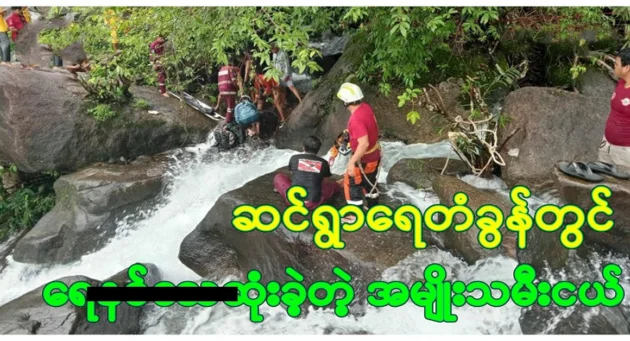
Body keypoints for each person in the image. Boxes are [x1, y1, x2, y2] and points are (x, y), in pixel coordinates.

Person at [336, 83, 382, 222]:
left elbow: (364, 144)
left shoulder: (355, 119)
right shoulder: (365, 107)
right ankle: (373, 208)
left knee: (351, 184)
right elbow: (372, 124)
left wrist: (352, 162)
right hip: (374, 155)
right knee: (370, 182)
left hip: (365, 158)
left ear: (345, 101)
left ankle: (355, 215)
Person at [274, 136, 340, 210]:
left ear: (303, 148)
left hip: (292, 200)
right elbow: (325, 181)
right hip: (312, 203)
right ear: (318, 149)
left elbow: (294, 174)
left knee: (279, 177)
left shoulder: (294, 158)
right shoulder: (324, 163)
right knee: (333, 186)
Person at [598, 47, 630, 169]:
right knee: (602, 180)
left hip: (625, 152)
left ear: (627, 68)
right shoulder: (621, 82)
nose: (614, 66)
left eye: (617, 64)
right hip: (607, 145)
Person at [271, 43, 302, 126]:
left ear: (277, 47)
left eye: (273, 49)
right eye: (271, 50)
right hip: (278, 76)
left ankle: (300, 100)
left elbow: (287, 66)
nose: (272, 51)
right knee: (285, 89)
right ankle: (285, 104)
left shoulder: (283, 54)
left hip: (285, 75)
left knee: (290, 88)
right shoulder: (274, 54)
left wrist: (284, 77)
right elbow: (274, 65)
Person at [215, 56, 241, 123]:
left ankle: (218, 107)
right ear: (231, 63)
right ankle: (228, 121)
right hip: (229, 89)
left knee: (228, 105)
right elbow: (233, 80)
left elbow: (219, 82)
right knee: (230, 106)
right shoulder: (231, 69)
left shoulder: (220, 70)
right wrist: (237, 88)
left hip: (221, 90)